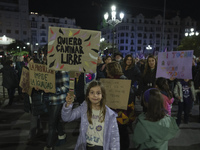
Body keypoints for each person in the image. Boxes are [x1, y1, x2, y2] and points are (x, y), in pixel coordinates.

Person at [61, 80, 120, 150]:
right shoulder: (83, 108)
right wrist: (68, 105)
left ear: (102, 95)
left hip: (100, 147)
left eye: (98, 93)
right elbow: (67, 118)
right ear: (88, 95)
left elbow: (114, 138)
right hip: (85, 146)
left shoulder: (110, 115)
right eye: (92, 92)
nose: (95, 95)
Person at [106, 61, 135, 150]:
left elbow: (130, 96)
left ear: (111, 70)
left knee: (122, 132)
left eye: (107, 69)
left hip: (122, 112)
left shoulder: (123, 80)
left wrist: (119, 104)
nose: (106, 71)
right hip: (113, 112)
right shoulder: (108, 80)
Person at [43, 71, 69, 150]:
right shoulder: (47, 69)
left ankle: (49, 145)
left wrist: (54, 89)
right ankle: (61, 135)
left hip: (57, 100)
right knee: (55, 119)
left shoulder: (63, 71)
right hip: (48, 99)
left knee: (51, 123)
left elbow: (66, 87)